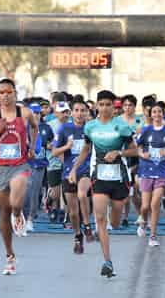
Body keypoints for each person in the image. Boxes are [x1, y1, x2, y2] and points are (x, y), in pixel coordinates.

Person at [69, 90, 137, 278]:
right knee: (100, 218)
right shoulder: (90, 127)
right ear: (97, 106)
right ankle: (107, 262)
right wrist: (74, 169)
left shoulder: (121, 126)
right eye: (102, 104)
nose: (105, 108)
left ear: (113, 107)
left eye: (109, 105)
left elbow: (135, 151)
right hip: (99, 176)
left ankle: (111, 221)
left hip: (119, 177)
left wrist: (119, 153)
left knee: (114, 223)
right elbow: (85, 149)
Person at [0, 78, 38, 275]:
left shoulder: (25, 113)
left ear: (15, 93)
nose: (5, 96)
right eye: (1, 93)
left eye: (8, 92)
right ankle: (10, 256)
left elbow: (35, 127)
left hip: (19, 165)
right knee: (3, 211)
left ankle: (18, 213)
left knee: (15, 202)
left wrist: (31, 148)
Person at [136, 102, 165, 246]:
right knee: (144, 206)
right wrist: (143, 155)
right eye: (154, 112)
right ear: (151, 115)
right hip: (146, 170)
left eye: (159, 112)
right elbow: (137, 147)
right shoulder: (146, 130)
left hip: (162, 170)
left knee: (155, 203)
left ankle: (153, 236)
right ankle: (143, 223)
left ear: (163, 113)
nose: (156, 114)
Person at [52, 98, 93, 254]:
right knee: (73, 213)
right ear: (71, 112)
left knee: (83, 194)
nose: (80, 113)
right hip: (68, 172)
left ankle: (88, 225)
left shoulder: (90, 129)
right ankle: (77, 235)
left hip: (86, 170)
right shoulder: (64, 129)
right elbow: (55, 152)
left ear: (87, 112)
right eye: (76, 110)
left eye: (83, 110)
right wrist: (67, 147)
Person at [24, 102, 53, 232]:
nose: (34, 115)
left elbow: (51, 142)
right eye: (32, 112)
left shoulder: (46, 127)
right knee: (24, 192)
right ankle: (21, 217)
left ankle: (30, 219)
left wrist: (50, 146)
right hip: (24, 163)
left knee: (34, 192)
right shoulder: (22, 127)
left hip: (39, 163)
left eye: (37, 112)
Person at [117, 94, 143, 226]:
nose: (128, 108)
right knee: (124, 192)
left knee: (135, 191)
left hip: (136, 158)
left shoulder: (140, 121)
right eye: (125, 105)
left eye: (130, 105)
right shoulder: (116, 121)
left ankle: (141, 214)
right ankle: (124, 217)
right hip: (120, 157)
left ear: (134, 106)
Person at [47, 100, 70, 222]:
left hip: (68, 162)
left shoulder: (72, 124)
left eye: (66, 112)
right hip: (53, 162)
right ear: (55, 113)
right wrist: (58, 147)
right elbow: (47, 144)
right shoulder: (49, 125)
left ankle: (63, 212)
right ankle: (51, 202)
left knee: (66, 190)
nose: (64, 114)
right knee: (55, 192)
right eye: (62, 112)